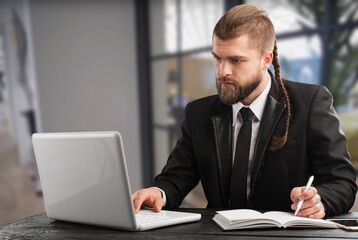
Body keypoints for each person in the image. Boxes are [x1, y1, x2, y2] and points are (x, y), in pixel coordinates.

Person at [132, 4, 357, 219]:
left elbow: (342, 182)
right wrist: (158, 192)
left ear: (265, 59)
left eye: (236, 60)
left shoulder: (310, 103)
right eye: (217, 58)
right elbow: (175, 177)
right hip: (218, 234)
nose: (222, 72)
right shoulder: (198, 113)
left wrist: (320, 200)